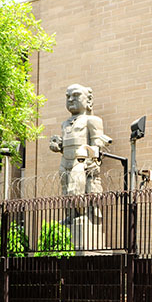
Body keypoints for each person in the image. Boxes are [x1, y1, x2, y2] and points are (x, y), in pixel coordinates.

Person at [49, 83, 113, 220]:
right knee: (65, 190)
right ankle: (70, 215)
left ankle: (84, 215)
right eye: (68, 96)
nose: (71, 99)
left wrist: (93, 159)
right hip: (65, 160)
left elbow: (97, 142)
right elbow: (66, 143)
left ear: (88, 100)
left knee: (76, 189)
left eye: (76, 95)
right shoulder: (65, 123)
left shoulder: (92, 120)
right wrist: (58, 145)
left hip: (81, 160)